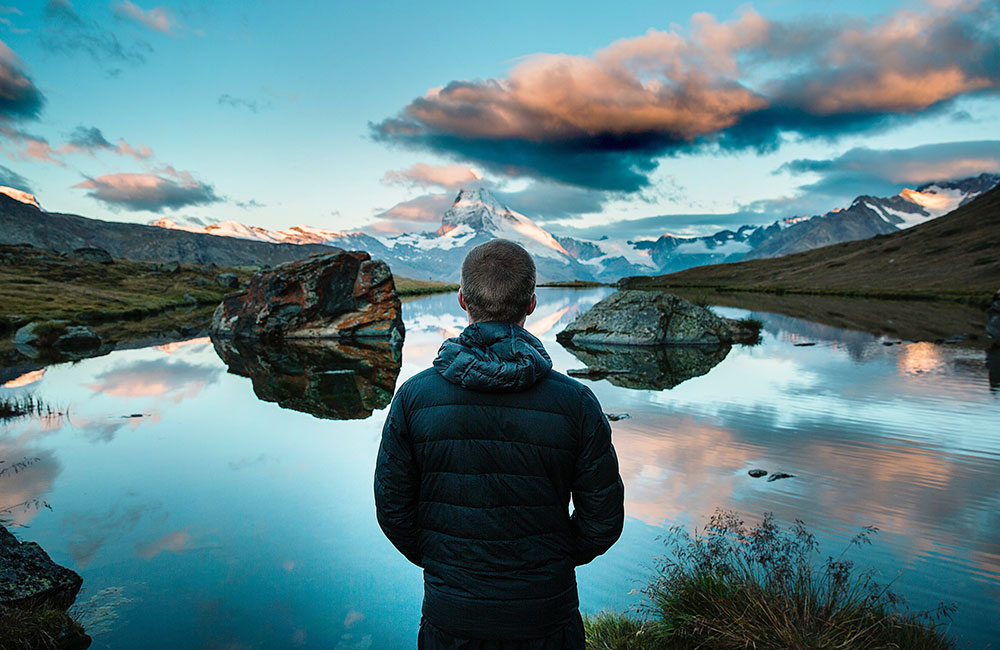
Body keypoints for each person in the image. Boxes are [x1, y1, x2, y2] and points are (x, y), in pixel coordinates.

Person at [374, 238, 625, 649]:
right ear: (531, 303)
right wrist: (552, 560)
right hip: (547, 618)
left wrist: (445, 563)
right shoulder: (576, 403)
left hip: (450, 618)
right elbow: (603, 521)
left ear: (461, 300)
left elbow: (392, 510)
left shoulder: (414, 398)